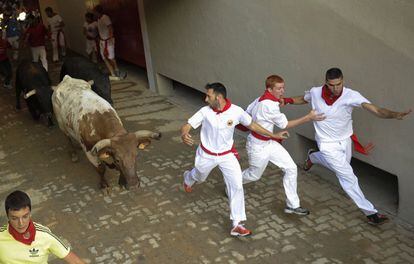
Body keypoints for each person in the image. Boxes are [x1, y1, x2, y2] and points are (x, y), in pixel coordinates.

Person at [284, 67, 411, 225]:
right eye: (332, 85)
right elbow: (303, 98)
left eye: (339, 84)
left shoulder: (351, 96)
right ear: (326, 83)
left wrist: (394, 115)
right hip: (327, 144)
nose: (336, 88)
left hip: (345, 141)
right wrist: (286, 100)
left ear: (343, 81)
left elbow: (376, 110)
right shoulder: (316, 92)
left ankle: (313, 157)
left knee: (342, 167)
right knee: (348, 177)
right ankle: (370, 213)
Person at [181, 82, 289, 237]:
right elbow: (187, 125)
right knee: (200, 177)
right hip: (206, 155)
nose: (205, 99)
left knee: (237, 185)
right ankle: (188, 178)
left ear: (218, 98)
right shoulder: (205, 111)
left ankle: (237, 223)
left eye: (208, 96)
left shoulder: (236, 111)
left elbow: (253, 125)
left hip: (227, 156)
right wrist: (184, 134)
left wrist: (274, 135)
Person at [241, 75, 325, 216]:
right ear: (269, 89)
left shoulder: (260, 99)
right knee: (254, 175)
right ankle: (232, 182)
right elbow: (285, 124)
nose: (283, 91)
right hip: (257, 146)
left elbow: (247, 112)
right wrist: (308, 118)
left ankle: (293, 206)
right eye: (279, 89)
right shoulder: (269, 105)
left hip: (269, 142)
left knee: (291, 168)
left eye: (283, 87)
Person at [0, 190, 85, 263]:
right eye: (15, 218)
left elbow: (75, 261)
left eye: (25, 216)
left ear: (30, 213)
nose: (21, 223)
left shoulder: (44, 235)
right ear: (8, 217)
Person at [93, 4, 126, 79]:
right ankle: (112, 72)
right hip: (102, 41)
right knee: (104, 57)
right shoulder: (98, 19)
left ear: (98, 12)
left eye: (94, 12)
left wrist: (110, 38)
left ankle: (116, 69)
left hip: (108, 40)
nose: (94, 14)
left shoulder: (105, 18)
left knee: (111, 57)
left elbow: (110, 28)